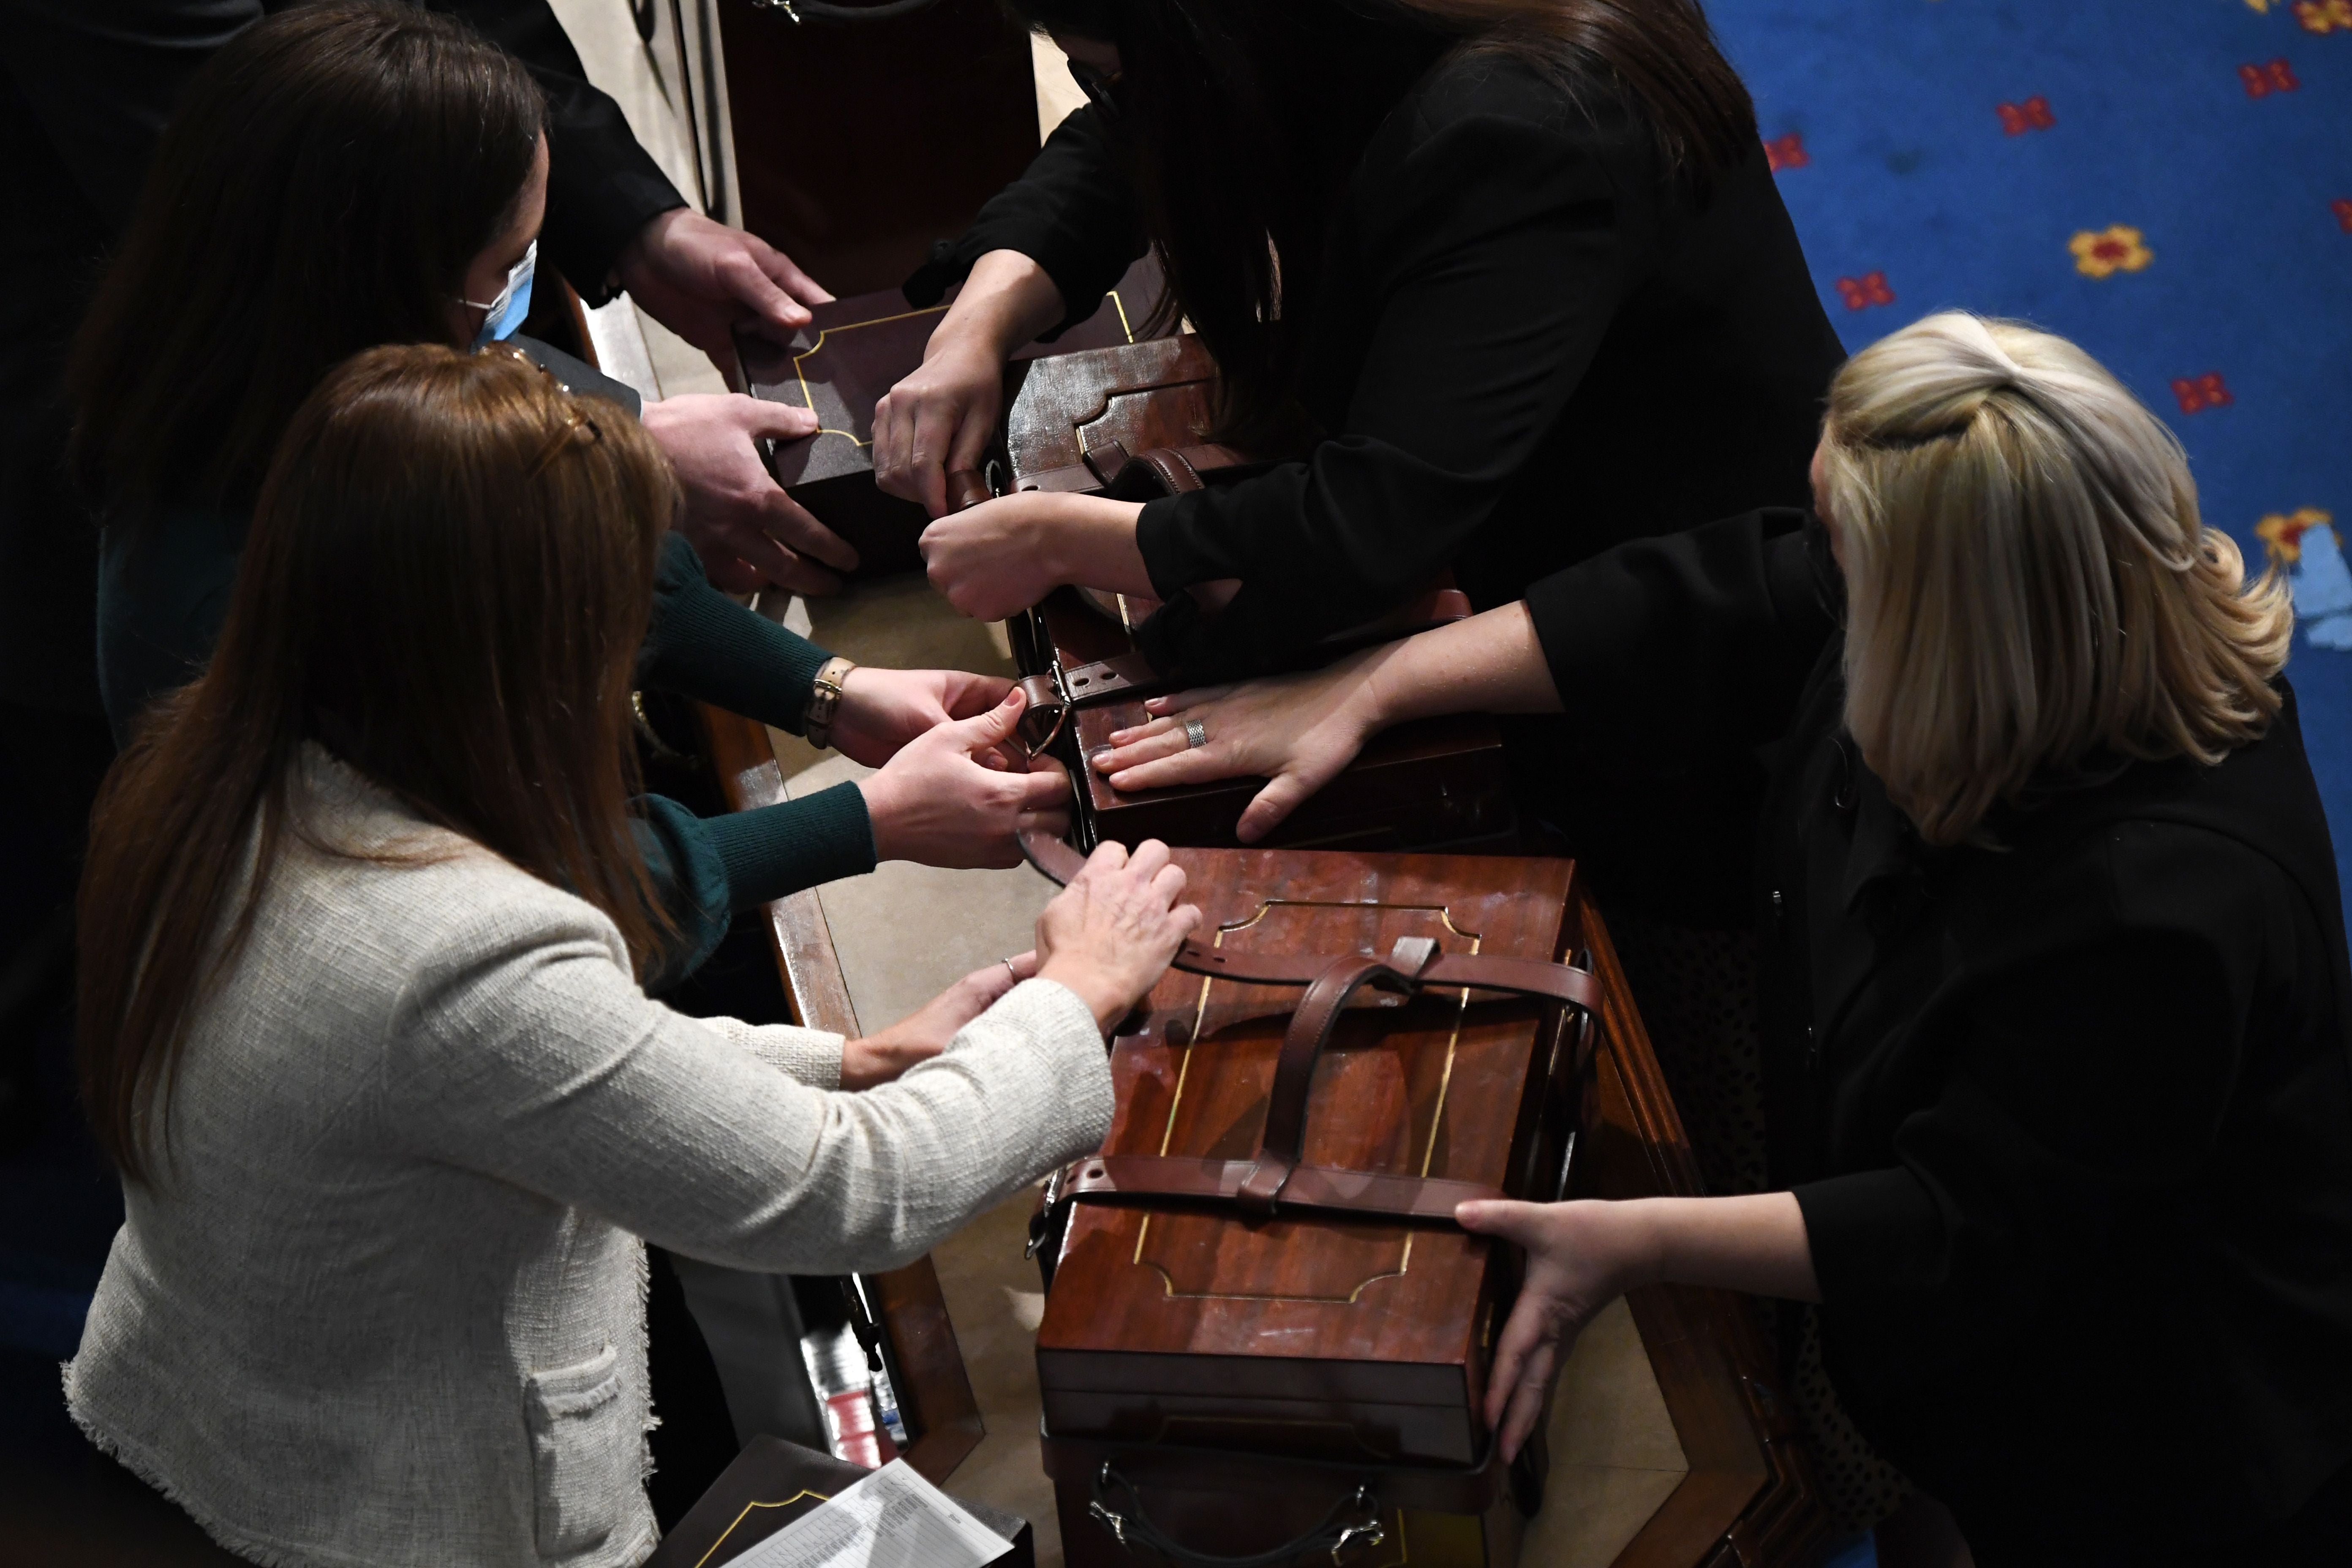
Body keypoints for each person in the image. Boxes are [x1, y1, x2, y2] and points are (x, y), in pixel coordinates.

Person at [1085, 313, 2352, 1564]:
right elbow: (1710, 600)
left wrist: (1639, 1241)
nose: (1818, 565)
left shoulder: (2160, 918)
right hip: (1954, 1326)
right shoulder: (2027, 613)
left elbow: (1956, 1227)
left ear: (1949, 624)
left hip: (2135, 1437)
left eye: (1844, 551)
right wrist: (1377, 688)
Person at [63, 343, 1202, 1568]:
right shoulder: (457, 949)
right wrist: (1082, 988)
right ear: (521, 654)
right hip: (381, 1518)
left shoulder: (231, 766)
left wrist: (853, 1057)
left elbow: (526, 1083)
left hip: (222, 1436)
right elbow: (855, 1192)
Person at [67, 2, 1066, 985]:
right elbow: (526, 916)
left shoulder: (304, 377)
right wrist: (871, 821)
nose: (522, 317)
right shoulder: (287, 577)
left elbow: (626, 574)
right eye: (506, 270)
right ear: (387, 287)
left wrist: (835, 692)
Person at [879, 0, 1846, 924]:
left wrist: (1077, 537)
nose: (1110, 97)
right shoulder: (1327, 24)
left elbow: (1375, 517)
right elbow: (1132, 138)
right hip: (1552, 559)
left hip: (1706, 674)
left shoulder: (1520, 126)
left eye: (1106, 68)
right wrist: (980, 319)